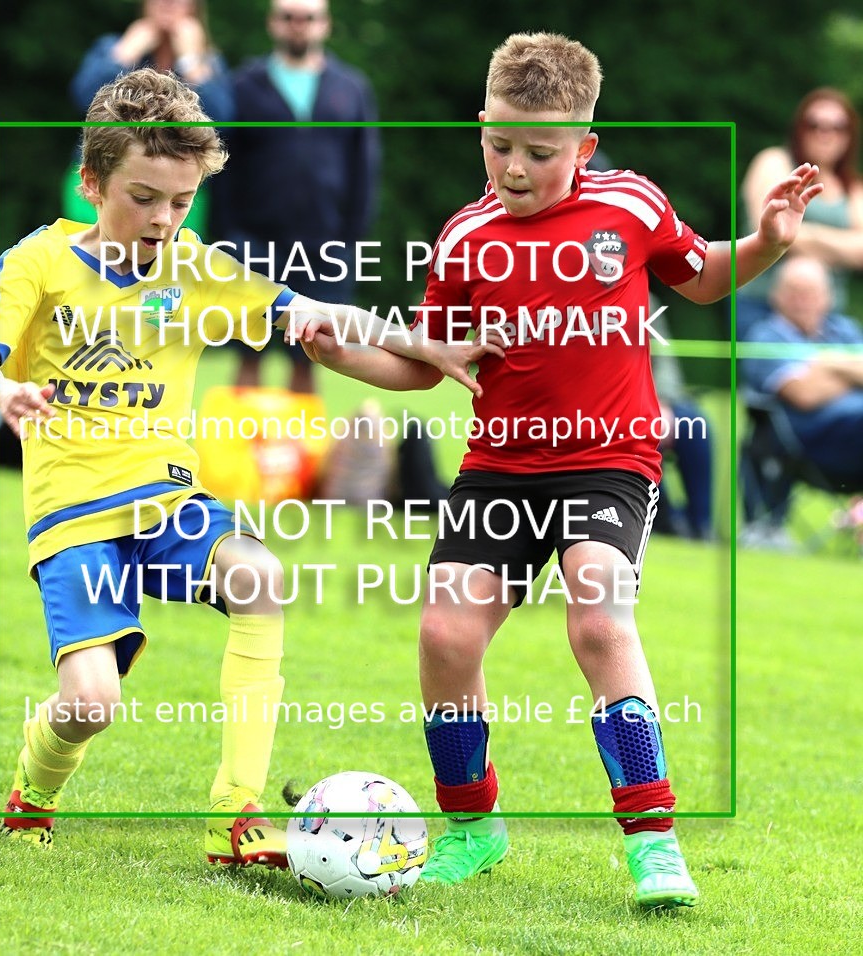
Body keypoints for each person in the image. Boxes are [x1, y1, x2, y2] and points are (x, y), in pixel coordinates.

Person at [292, 32, 821, 908]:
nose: (515, 167)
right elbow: (429, 362)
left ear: (586, 145)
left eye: (541, 151)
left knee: (599, 617)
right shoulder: (465, 236)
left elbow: (702, 278)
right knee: (444, 638)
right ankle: (472, 826)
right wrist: (342, 355)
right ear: (481, 128)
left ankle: (654, 843)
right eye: (499, 144)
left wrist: (766, 241)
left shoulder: (632, 209)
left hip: (609, 460)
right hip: (500, 468)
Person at [0, 68, 483, 860]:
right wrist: (11, 391)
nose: (164, 219)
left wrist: (422, 342)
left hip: (168, 499)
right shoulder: (36, 263)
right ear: (90, 183)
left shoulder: (195, 268)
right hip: (72, 512)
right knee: (92, 703)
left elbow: (315, 311)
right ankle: (35, 785)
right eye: (144, 197)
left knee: (259, 577)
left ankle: (233, 815)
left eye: (180, 201)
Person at [213, 0, 379, 394]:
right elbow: (221, 169)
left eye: (309, 18)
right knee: (247, 357)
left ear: (325, 24)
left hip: (324, 247)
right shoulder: (241, 87)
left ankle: (304, 456)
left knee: (311, 358)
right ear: (273, 23)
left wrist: (350, 242)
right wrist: (225, 238)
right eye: (289, 17)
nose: (299, 26)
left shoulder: (351, 89)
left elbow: (365, 170)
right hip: (251, 244)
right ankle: (237, 454)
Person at [66, 0, 233, 233]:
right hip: (107, 177)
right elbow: (84, 98)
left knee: (166, 266)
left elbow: (221, 123)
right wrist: (127, 51)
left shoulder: (209, 62)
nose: (168, 2)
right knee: (92, 261)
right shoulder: (113, 46)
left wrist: (190, 60)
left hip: (177, 189)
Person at [741, 255, 863, 518]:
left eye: (811, 293)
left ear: (829, 297)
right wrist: (852, 374)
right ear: (776, 296)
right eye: (794, 292)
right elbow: (803, 394)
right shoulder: (765, 337)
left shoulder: (845, 330)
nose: (803, 301)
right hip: (809, 440)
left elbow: (813, 384)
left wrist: (828, 364)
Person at [737, 87, 863, 339]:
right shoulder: (773, 162)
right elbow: (768, 228)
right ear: (799, 129)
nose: (825, 134)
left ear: (849, 135)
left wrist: (801, 237)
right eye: (814, 124)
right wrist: (839, 246)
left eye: (837, 127)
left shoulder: (854, 188)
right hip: (763, 307)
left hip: (829, 319)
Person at [650, 307, 714, 540]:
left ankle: (701, 524)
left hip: (654, 397)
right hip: (610, 406)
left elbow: (664, 362)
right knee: (638, 431)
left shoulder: (646, 301)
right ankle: (667, 519)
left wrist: (662, 402)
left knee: (693, 424)